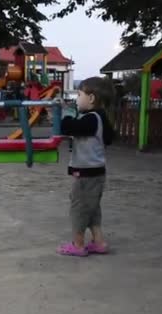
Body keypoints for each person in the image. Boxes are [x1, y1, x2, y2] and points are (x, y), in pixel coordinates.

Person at [57, 77, 116, 257]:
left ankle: (78, 244)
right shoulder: (100, 118)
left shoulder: (91, 119)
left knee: (79, 207)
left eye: (79, 94)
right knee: (92, 208)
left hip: (87, 174)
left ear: (91, 98)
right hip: (97, 173)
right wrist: (67, 110)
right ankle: (99, 242)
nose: (76, 98)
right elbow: (107, 137)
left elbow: (68, 127)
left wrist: (64, 112)